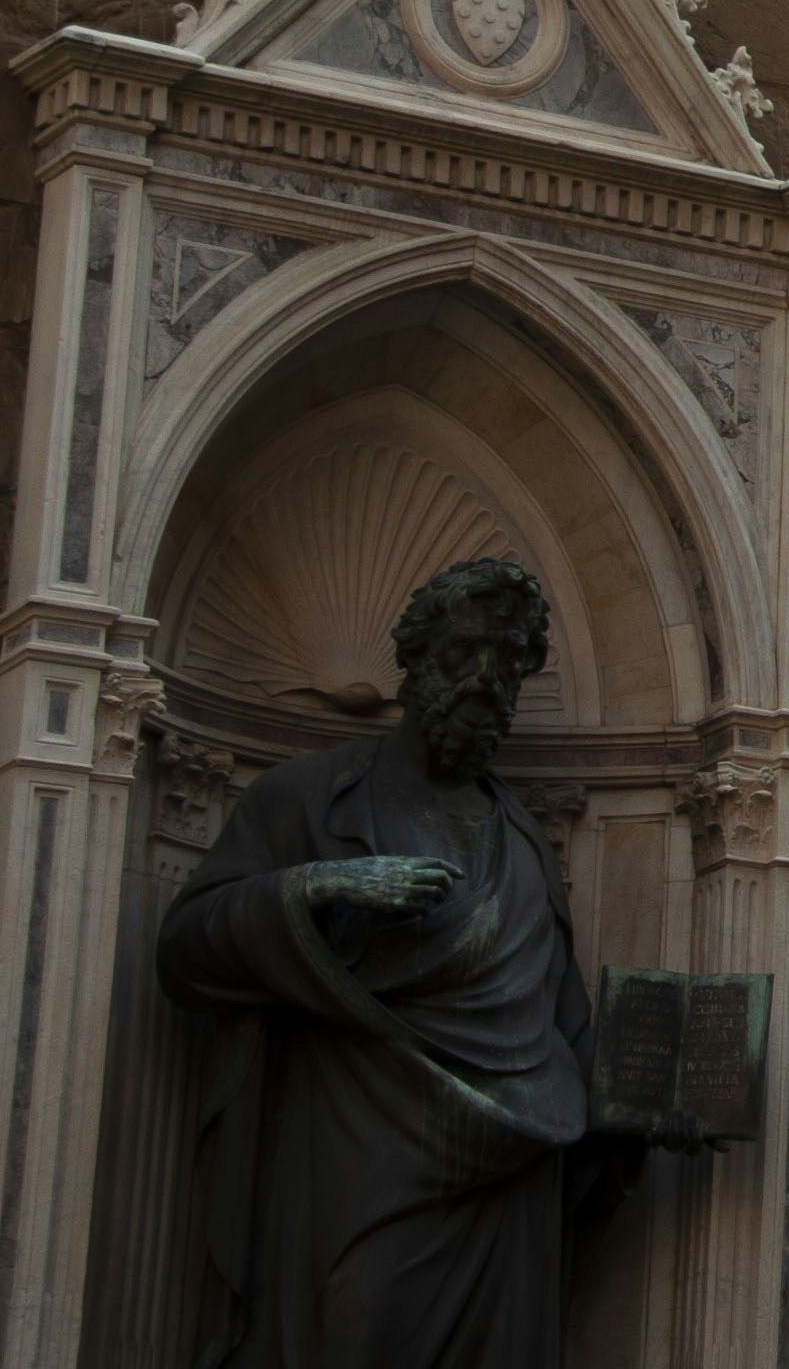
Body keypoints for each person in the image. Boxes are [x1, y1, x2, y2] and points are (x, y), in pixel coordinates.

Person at [159, 557, 627, 1367]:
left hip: (507, 1193)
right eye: (466, 651)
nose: (487, 677)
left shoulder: (524, 843)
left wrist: (640, 1120)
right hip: (357, 1161)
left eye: (509, 660)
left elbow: (563, 1034)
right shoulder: (307, 799)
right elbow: (187, 949)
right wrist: (317, 885)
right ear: (416, 659)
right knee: (354, 1330)